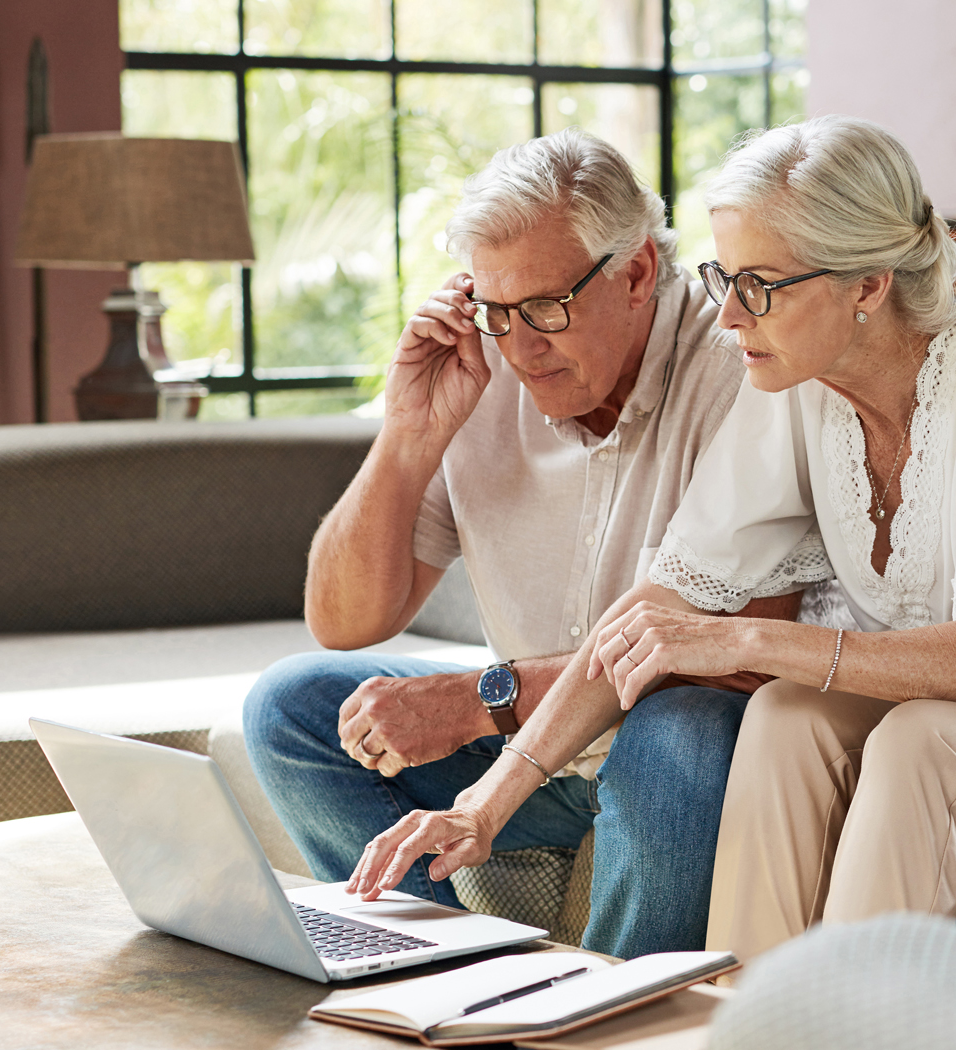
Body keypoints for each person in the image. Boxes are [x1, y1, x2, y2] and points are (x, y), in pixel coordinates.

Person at [343, 116, 956, 964]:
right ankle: (737, 1019)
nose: (729, 314)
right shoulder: (796, 385)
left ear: (868, 284)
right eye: (723, 278)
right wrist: (486, 802)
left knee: (920, 743)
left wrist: (743, 637)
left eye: (761, 286)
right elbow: (656, 613)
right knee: (786, 713)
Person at [241, 129, 795, 960]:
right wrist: (406, 434)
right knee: (293, 706)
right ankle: (433, 981)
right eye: (498, 311)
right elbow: (345, 621)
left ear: (638, 272)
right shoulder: (487, 361)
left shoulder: (741, 366)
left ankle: (598, 1020)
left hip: (683, 760)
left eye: (545, 307)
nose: (522, 347)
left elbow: (740, 649)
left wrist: (480, 700)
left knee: (685, 724)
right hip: (537, 752)